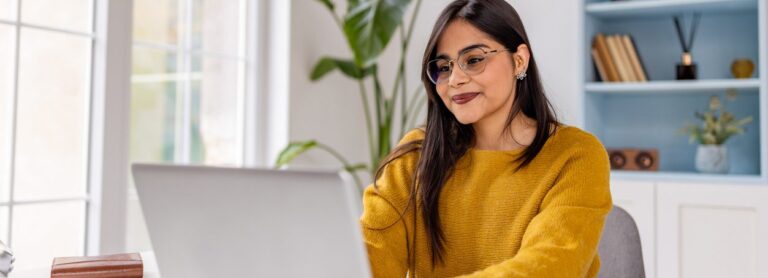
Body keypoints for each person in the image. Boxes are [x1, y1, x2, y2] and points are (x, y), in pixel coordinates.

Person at [360, 0, 612, 277]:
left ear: (519, 60)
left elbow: (550, 265)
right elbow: (368, 256)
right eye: (443, 67)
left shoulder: (576, 155)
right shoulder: (415, 155)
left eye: (474, 60)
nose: (455, 79)